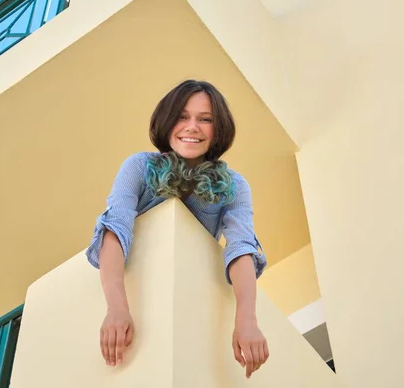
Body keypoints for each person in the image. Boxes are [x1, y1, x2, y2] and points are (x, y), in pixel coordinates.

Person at [85, 79, 269, 379]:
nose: (192, 127)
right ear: (167, 121)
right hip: (143, 300)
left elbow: (241, 247)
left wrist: (247, 320)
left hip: (187, 306)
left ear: (218, 129)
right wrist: (116, 308)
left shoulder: (234, 186)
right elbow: (114, 228)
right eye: (182, 116)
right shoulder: (139, 166)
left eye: (205, 119)